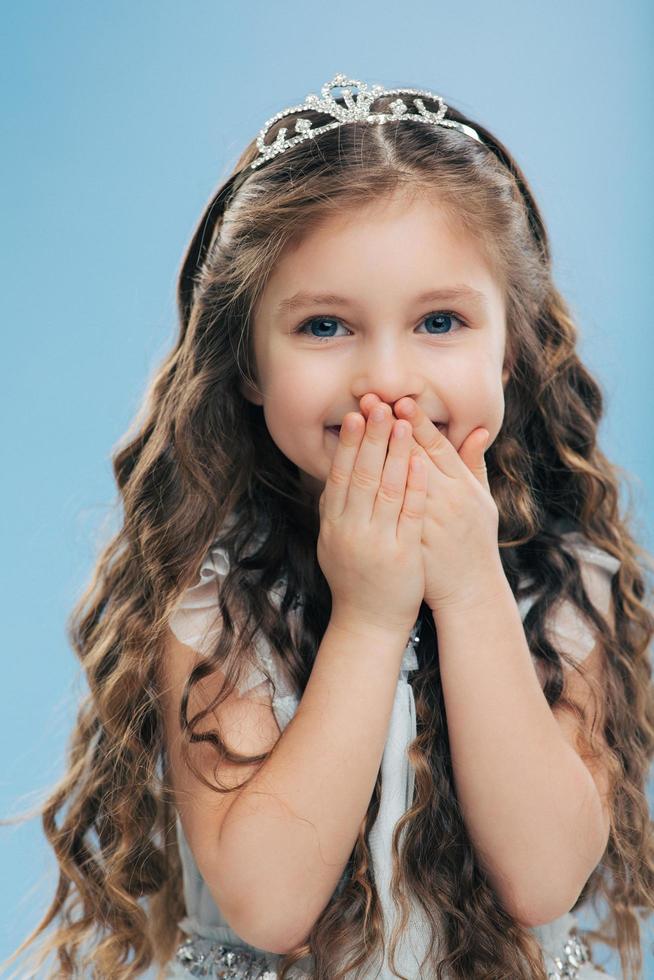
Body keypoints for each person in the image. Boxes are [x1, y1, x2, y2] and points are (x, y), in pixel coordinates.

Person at [3, 73, 653, 980]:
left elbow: (545, 878)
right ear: (248, 367)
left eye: (439, 320)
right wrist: (371, 616)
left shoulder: (568, 583)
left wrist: (468, 587)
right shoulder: (220, 603)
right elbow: (269, 905)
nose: (386, 378)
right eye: (323, 326)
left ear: (510, 348)